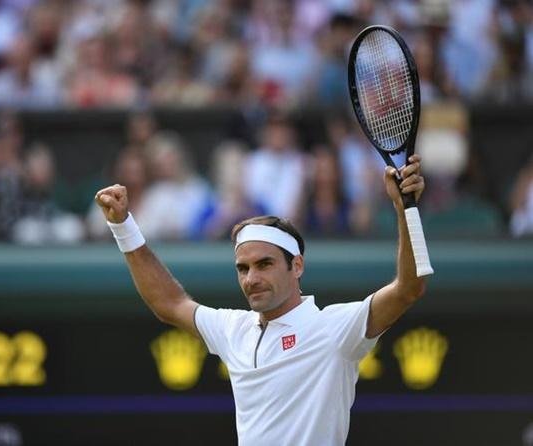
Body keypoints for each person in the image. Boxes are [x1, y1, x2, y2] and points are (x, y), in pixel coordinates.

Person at [94, 154, 428, 445]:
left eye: (264, 264)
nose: (251, 278)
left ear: (296, 266)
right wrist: (123, 226)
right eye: (243, 268)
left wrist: (405, 209)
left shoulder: (334, 328)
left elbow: (408, 289)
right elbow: (169, 303)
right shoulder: (233, 329)